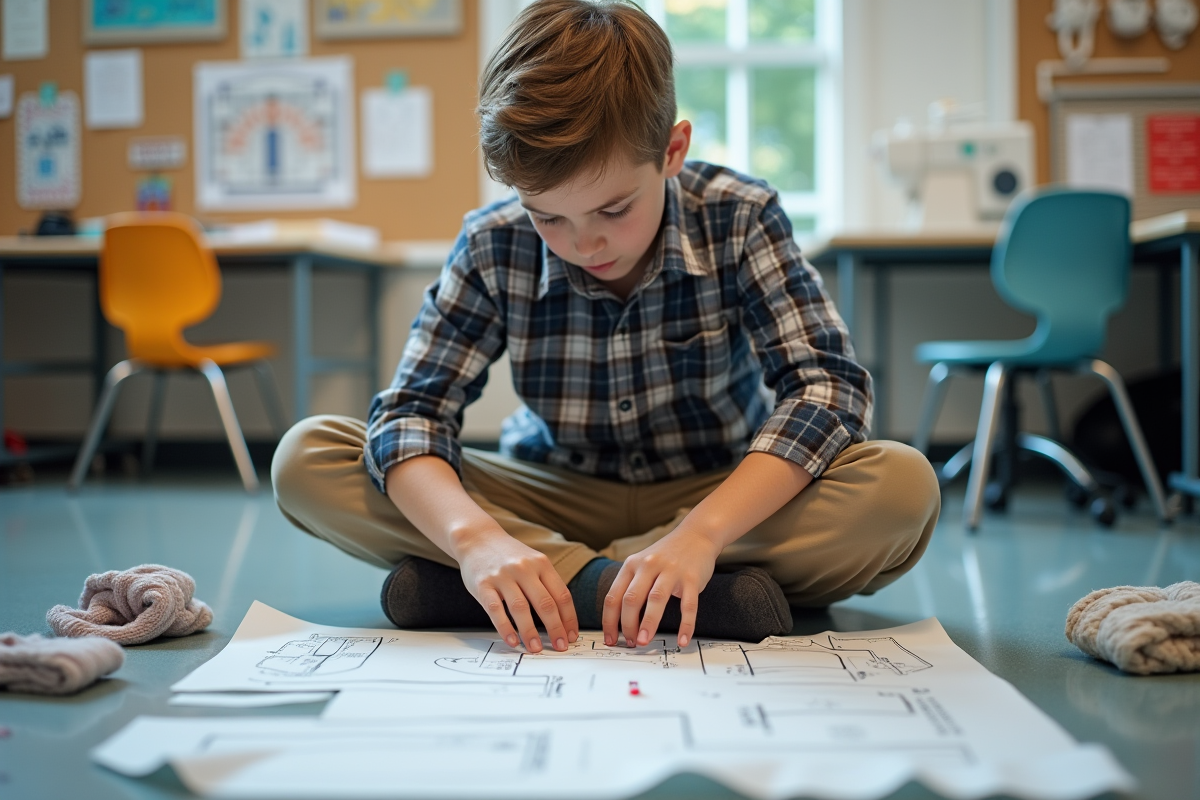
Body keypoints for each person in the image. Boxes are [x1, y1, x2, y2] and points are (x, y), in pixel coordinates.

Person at [272, 0, 940, 655]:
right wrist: (477, 539)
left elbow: (827, 391)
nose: (583, 242)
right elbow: (411, 414)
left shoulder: (740, 215)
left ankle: (539, 586)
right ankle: (645, 590)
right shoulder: (491, 242)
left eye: (614, 208)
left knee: (901, 488)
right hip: (548, 496)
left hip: (714, 491)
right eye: (548, 218)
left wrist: (702, 535)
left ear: (673, 150)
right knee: (308, 459)